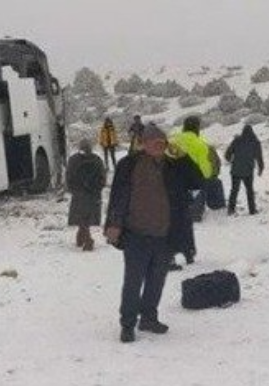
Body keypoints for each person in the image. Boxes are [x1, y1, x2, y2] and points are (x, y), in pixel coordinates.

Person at [104, 124, 203, 343]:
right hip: (135, 234)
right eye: (155, 142)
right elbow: (118, 197)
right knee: (132, 281)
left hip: (165, 235)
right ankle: (127, 324)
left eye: (163, 142)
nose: (160, 146)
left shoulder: (173, 166)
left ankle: (148, 317)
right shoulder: (128, 165)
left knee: (156, 281)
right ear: (144, 144)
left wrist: (183, 157)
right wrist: (114, 224)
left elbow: (198, 181)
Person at [168, 115, 213, 266]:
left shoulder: (173, 140)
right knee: (185, 220)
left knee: (170, 220)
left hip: (169, 185)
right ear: (197, 128)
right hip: (189, 187)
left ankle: (170, 252)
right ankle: (188, 252)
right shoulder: (200, 144)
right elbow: (205, 170)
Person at [66, 138, 106, 251]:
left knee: (81, 217)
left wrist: (72, 189)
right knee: (87, 217)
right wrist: (98, 189)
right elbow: (102, 177)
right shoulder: (97, 160)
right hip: (93, 193)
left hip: (79, 193)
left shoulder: (73, 160)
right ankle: (82, 237)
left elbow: (69, 175)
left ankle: (87, 239)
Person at [225, 124, 264, 215]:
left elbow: (227, 154)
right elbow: (259, 157)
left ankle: (231, 209)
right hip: (248, 170)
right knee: (249, 190)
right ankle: (252, 210)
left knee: (234, 190)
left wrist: (231, 160)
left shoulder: (237, 140)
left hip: (236, 169)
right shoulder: (255, 142)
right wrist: (260, 168)